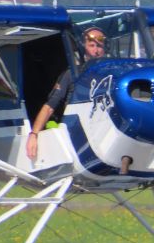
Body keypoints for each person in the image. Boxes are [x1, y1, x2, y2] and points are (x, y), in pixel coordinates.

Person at [26, 27, 106, 159]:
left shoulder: (111, 74)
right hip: (75, 133)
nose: (96, 50)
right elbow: (49, 106)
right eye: (91, 45)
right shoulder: (71, 74)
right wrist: (33, 135)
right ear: (83, 48)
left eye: (100, 46)